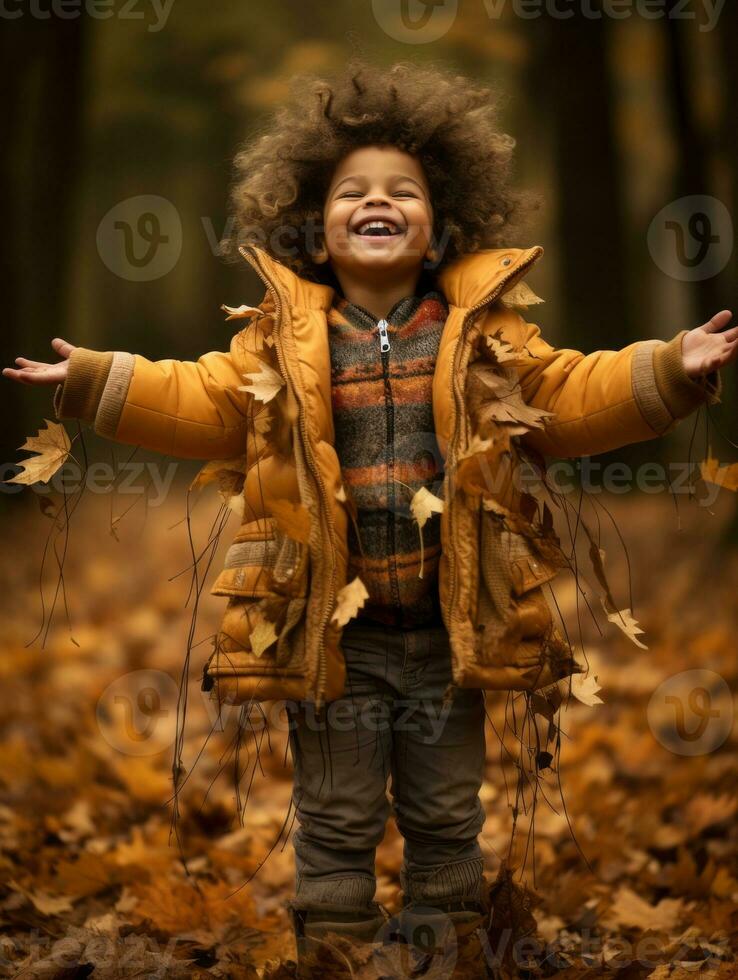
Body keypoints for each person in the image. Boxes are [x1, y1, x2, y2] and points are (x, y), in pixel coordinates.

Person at [4, 60, 735, 978]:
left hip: (452, 628)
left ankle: (448, 947)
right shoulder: (278, 340)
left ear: (443, 223)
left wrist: (669, 369)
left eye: (403, 191)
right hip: (333, 639)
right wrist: (96, 381)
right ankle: (337, 953)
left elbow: (569, 392)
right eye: (352, 192)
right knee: (338, 813)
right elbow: (198, 398)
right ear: (313, 222)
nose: (377, 202)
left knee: (445, 813)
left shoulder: (483, 334)